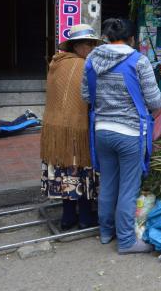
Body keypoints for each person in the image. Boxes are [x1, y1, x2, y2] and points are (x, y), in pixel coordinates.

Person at [82, 18, 161, 254]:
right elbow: (154, 100)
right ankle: (127, 241)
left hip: (101, 131)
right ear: (131, 39)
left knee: (107, 183)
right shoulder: (138, 61)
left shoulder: (91, 60)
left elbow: (86, 96)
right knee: (128, 188)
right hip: (129, 134)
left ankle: (106, 232)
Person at [40, 24, 103, 230]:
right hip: (76, 127)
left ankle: (68, 217)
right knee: (80, 168)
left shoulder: (56, 63)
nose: (92, 47)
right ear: (76, 45)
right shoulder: (82, 66)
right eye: (89, 43)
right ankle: (84, 216)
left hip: (55, 127)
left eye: (94, 44)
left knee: (65, 167)